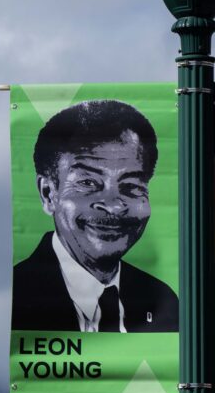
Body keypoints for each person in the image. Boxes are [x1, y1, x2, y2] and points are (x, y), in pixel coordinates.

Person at [12, 99, 178, 333]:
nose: (113, 206)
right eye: (88, 182)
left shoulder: (166, 303)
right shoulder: (18, 296)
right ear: (49, 194)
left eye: (130, 186)